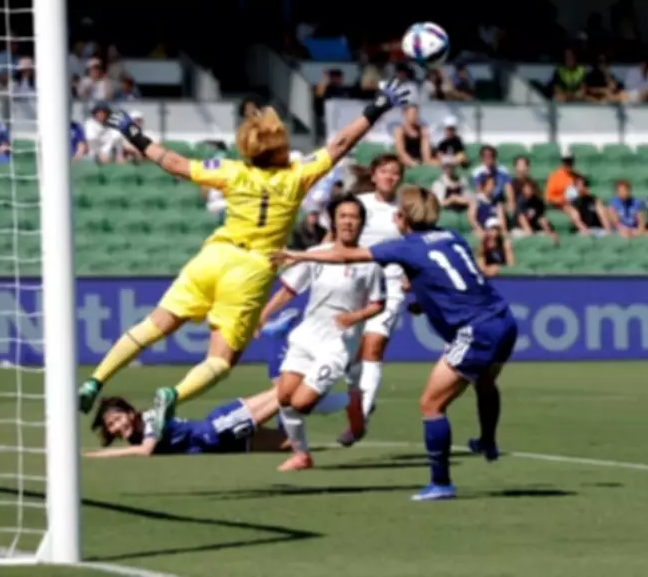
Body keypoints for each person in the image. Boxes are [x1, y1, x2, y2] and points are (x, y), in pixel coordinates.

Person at [76, 79, 412, 438]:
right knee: (221, 360)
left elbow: (172, 162)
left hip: (214, 255)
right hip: (251, 270)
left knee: (154, 325)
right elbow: (341, 143)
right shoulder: (297, 176)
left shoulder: (231, 171)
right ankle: (173, 394)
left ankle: (96, 380)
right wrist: (376, 107)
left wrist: (133, 133)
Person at [272, 185, 518, 501]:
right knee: (485, 382)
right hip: (503, 320)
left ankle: (441, 483)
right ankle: (487, 440)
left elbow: (345, 254)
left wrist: (298, 254)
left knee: (431, 404)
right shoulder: (452, 238)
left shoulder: (406, 246)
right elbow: (454, 280)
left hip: (475, 330)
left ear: (402, 218)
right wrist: (423, 301)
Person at [258, 193, 386, 470]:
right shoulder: (316, 254)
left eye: (354, 217)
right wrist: (262, 316)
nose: (349, 222)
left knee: (301, 403)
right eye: (343, 216)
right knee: (283, 397)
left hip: (338, 344)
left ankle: (356, 403)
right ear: (333, 221)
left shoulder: (370, 262)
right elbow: (289, 290)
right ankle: (301, 455)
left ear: (362, 223)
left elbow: (379, 303)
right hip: (307, 337)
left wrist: (356, 316)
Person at [338, 154, 406, 447]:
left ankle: (360, 418)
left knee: (373, 347)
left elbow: (413, 245)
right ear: (375, 175)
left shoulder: (404, 209)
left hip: (390, 285)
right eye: (385, 171)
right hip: (356, 284)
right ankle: (363, 396)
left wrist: (412, 280)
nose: (390, 177)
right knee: (348, 358)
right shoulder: (360, 203)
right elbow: (339, 236)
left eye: (395, 172)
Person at [85, 390, 288, 458]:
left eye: (118, 419)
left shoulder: (152, 420)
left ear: (131, 414)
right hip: (225, 444)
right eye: (111, 425)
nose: (117, 426)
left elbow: (146, 450)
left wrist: (97, 455)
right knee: (292, 444)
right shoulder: (136, 436)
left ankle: (275, 340)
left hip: (220, 429)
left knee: (284, 394)